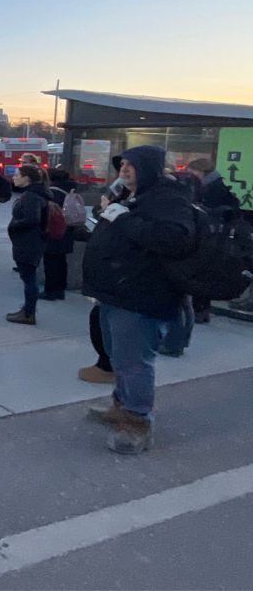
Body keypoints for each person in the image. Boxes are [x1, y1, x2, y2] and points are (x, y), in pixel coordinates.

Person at [82, 146, 195, 454]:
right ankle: (122, 406)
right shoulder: (131, 198)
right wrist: (108, 211)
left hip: (141, 295)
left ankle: (137, 423)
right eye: (123, 164)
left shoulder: (168, 199)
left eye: (133, 165)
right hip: (116, 292)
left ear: (150, 169)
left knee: (134, 361)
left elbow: (175, 240)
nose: (125, 170)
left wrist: (122, 218)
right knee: (119, 357)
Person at [184, 157, 242, 324]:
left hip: (212, 236)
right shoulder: (214, 184)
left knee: (202, 274)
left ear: (201, 171)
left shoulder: (212, 188)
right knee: (204, 273)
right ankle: (201, 309)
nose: (191, 175)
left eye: (193, 172)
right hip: (214, 235)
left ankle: (200, 309)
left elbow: (212, 211)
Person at [5, 165, 50, 325]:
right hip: (31, 241)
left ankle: (28, 313)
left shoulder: (31, 195)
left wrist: (14, 225)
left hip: (28, 242)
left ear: (27, 178)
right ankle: (27, 309)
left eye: (17, 175)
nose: (14, 177)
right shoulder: (37, 193)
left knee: (29, 278)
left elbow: (32, 218)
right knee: (29, 277)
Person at [41, 168, 77, 301]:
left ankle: (50, 291)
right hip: (68, 230)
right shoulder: (70, 190)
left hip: (54, 230)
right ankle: (60, 289)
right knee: (61, 261)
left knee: (50, 262)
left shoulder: (53, 193)